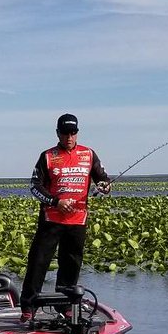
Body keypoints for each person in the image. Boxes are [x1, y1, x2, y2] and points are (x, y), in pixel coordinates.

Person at [19, 113, 111, 323]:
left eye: (73, 132)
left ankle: (66, 306)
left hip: (77, 221)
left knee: (71, 264)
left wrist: (105, 186)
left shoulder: (89, 155)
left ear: (77, 133)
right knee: (38, 262)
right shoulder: (48, 156)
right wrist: (55, 201)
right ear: (58, 133)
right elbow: (35, 186)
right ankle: (28, 306)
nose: (69, 136)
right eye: (65, 133)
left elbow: (103, 179)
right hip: (51, 220)